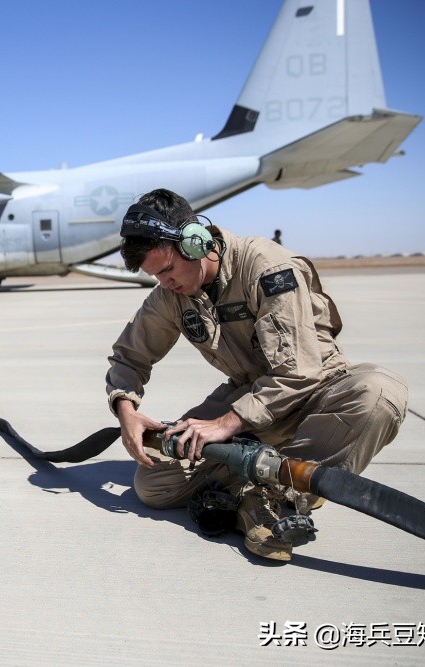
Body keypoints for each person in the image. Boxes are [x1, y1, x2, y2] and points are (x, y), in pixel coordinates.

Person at [106, 188, 408, 561]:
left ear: (196, 244)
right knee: (155, 484)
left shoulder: (267, 267)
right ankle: (272, 480)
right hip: (250, 395)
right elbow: (128, 357)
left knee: (378, 393)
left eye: (167, 269)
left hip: (315, 392)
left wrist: (225, 424)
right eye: (156, 276)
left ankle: (274, 498)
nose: (165, 283)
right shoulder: (171, 294)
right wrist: (126, 409)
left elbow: (298, 372)